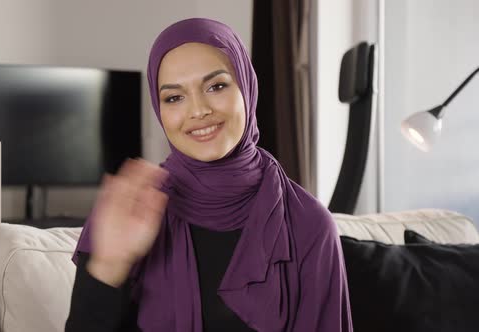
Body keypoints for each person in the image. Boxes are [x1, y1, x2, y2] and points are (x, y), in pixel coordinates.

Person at [65, 18, 353, 332]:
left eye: (216, 86)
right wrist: (110, 266)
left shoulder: (307, 224)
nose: (198, 110)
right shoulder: (128, 210)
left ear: (247, 87)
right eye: (174, 97)